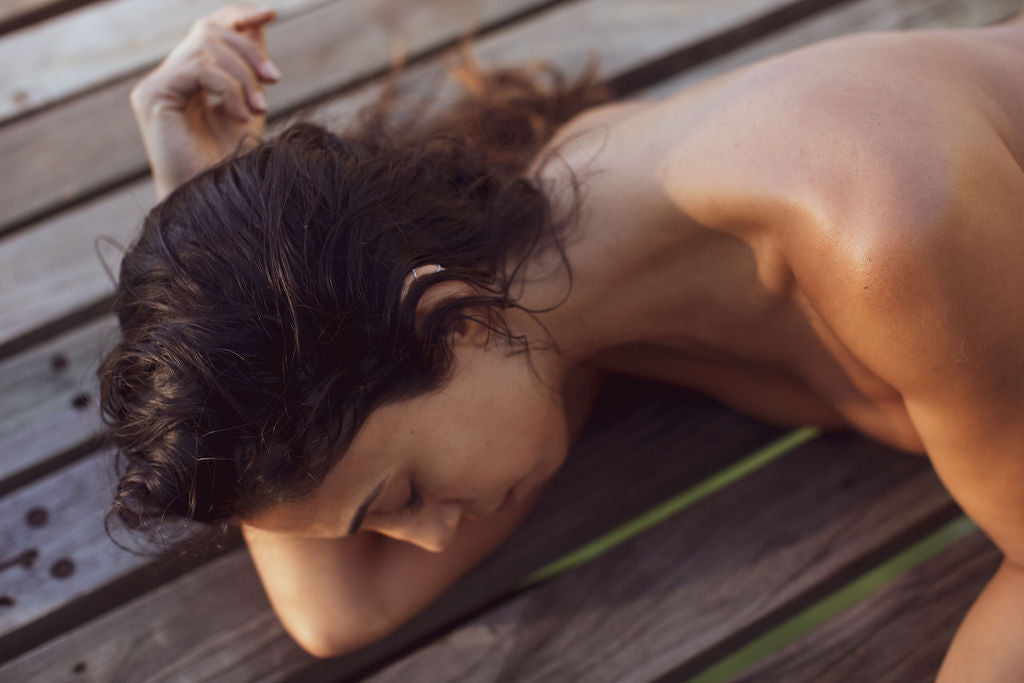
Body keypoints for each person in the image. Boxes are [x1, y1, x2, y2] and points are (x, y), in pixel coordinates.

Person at [100, 3, 1024, 677]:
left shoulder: (880, 227)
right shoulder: (548, 319)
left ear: (447, 317)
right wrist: (195, 200)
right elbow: (339, 610)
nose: (425, 539)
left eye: (408, 492)